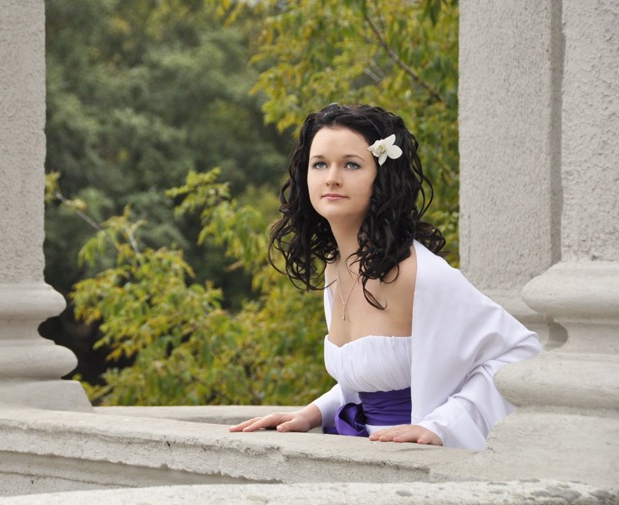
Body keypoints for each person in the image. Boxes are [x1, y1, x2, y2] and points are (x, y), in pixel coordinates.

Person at [228, 103, 541, 450]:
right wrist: (313, 412)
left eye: (351, 164)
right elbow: (372, 380)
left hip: (413, 464)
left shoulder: (415, 275)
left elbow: (522, 354)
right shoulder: (335, 266)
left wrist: (441, 427)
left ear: (382, 176)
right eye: (320, 164)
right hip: (362, 455)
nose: (332, 177)